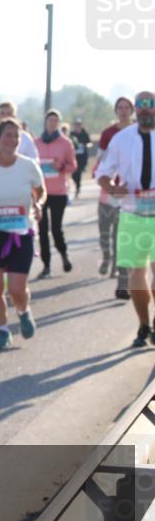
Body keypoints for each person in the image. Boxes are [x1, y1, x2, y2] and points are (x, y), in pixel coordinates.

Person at [0, 118, 47, 350]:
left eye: (16, 136)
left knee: (16, 289)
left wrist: (39, 204)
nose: (12, 140)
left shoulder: (28, 166)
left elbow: (41, 192)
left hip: (21, 232)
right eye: (7, 135)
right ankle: (2, 331)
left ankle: (23, 311)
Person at [96, 91, 155, 348]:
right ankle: (144, 324)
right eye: (140, 105)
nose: (144, 109)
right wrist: (111, 188)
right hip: (132, 215)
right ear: (135, 110)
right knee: (135, 274)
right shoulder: (121, 139)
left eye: (149, 105)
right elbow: (102, 173)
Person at [96, 97, 135, 297]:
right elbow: (101, 161)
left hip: (130, 195)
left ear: (132, 110)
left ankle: (123, 282)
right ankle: (106, 256)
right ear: (115, 110)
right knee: (104, 231)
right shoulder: (108, 133)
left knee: (122, 237)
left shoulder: (141, 133)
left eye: (127, 107)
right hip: (109, 191)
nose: (123, 110)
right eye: (120, 107)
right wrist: (106, 180)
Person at [34, 109, 77, 278]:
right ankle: (46, 266)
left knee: (56, 229)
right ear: (45, 122)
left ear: (58, 123)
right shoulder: (36, 143)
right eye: (50, 120)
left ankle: (64, 256)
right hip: (40, 192)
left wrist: (61, 167)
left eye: (55, 120)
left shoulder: (65, 143)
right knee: (42, 230)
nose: (52, 123)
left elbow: (73, 165)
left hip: (59, 191)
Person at [69, 118, 93, 199]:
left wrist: (85, 145)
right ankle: (76, 184)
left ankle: (78, 187)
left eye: (79, 124)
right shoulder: (72, 134)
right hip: (73, 156)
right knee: (73, 174)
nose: (78, 126)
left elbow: (90, 143)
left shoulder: (84, 133)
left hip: (82, 157)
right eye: (76, 124)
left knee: (78, 172)